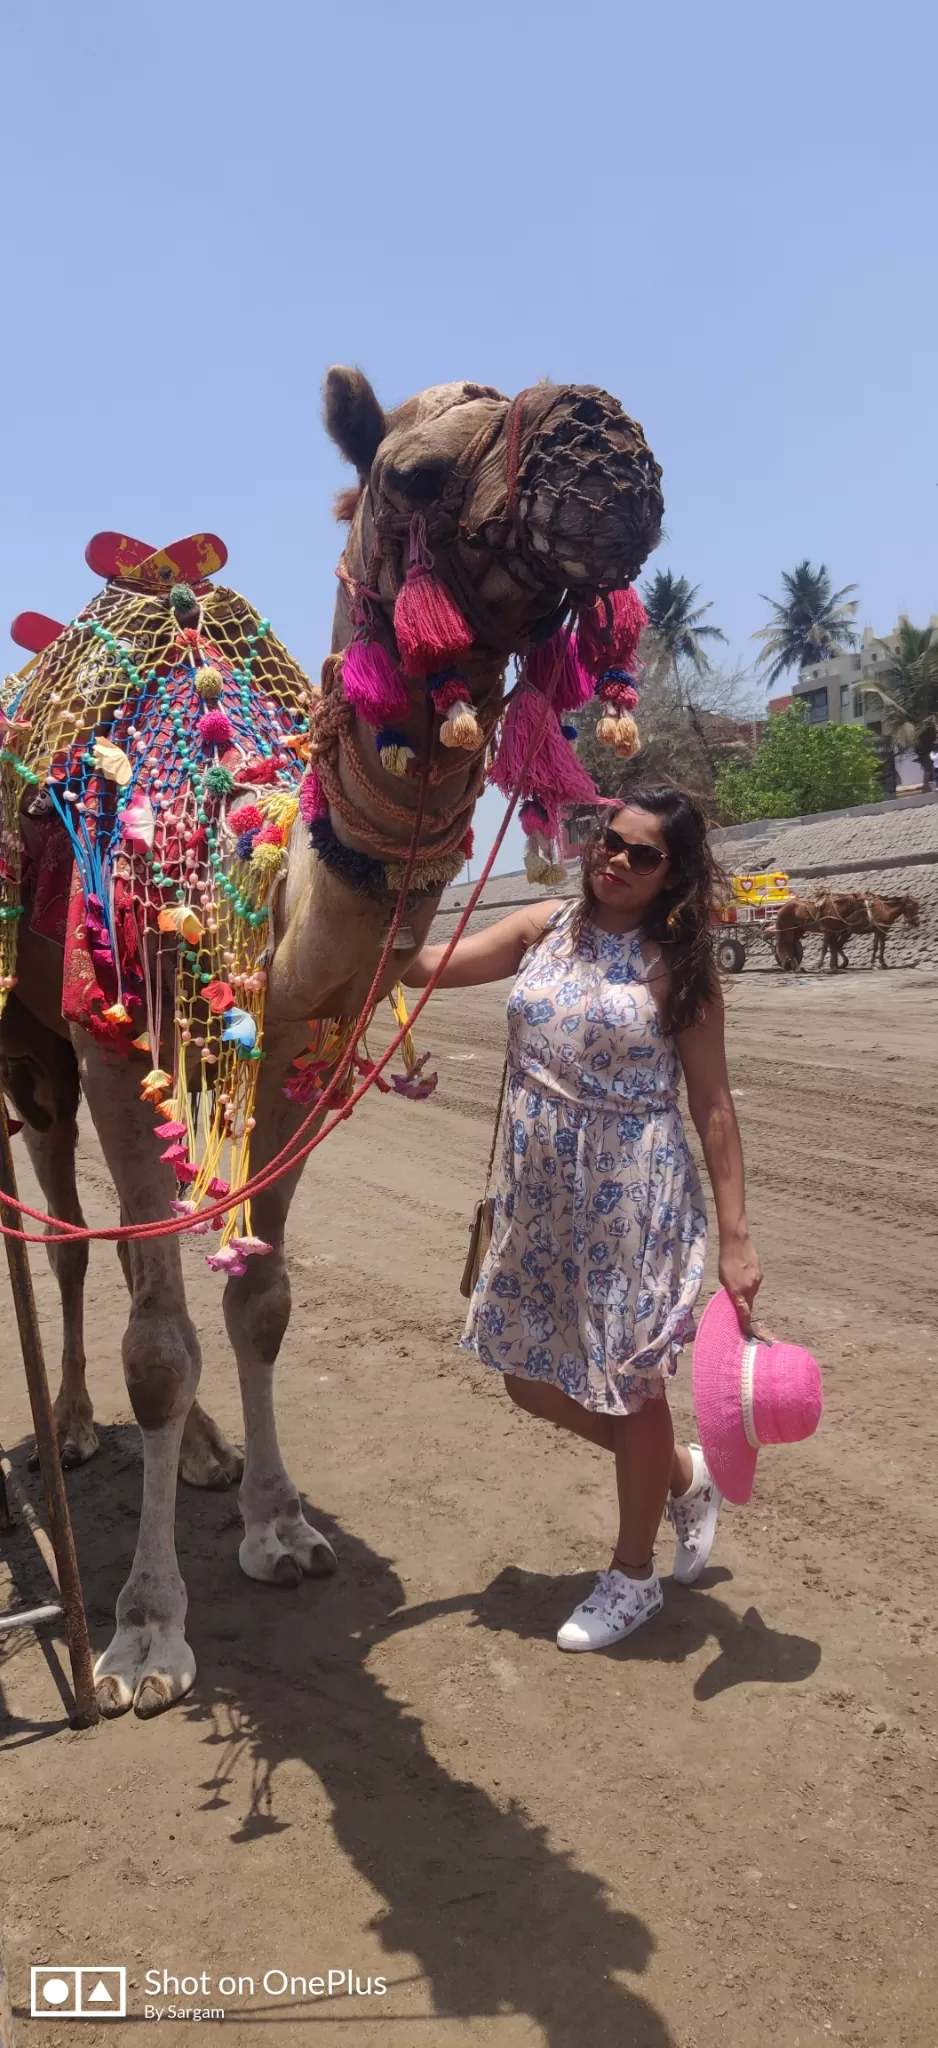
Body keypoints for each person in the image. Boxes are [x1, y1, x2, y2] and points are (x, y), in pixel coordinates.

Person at [402, 784, 762, 1652]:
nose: (617, 860)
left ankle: (631, 1576)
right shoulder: (543, 927)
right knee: (527, 1376)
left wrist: (738, 1240)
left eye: (644, 854)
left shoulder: (680, 965)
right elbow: (421, 970)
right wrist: (380, 885)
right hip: (538, 1192)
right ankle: (678, 1475)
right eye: (611, 840)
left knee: (630, 1383)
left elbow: (713, 1106)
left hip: (631, 1194)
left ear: (673, 875)